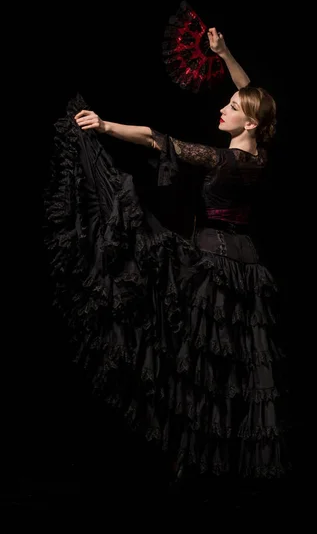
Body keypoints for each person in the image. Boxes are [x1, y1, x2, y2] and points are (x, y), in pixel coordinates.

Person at [44, 27, 289, 486]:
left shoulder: (225, 161)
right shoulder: (260, 156)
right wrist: (224, 52)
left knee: (199, 363)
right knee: (230, 365)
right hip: (250, 269)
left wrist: (105, 126)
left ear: (249, 123)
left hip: (213, 266)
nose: (223, 107)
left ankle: (196, 460)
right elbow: (249, 92)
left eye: (232, 109)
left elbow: (160, 140)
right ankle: (219, 461)